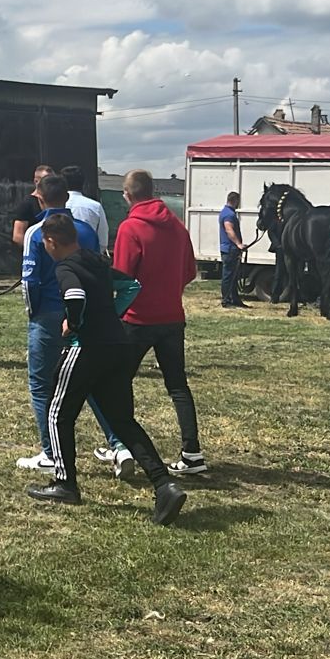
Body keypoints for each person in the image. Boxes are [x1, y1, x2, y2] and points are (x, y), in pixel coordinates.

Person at [23, 215, 187, 526]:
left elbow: (74, 296)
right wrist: (112, 314)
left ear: (51, 242)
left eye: (45, 243)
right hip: (117, 346)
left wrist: (74, 323)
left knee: (57, 414)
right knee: (121, 420)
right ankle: (164, 484)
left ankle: (65, 483)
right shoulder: (96, 261)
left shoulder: (65, 267)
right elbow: (131, 286)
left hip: (87, 347)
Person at [17, 173, 120, 472]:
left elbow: (29, 282)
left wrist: (33, 313)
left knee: (41, 384)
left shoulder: (36, 232)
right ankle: (118, 444)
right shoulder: (84, 230)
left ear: (39, 198)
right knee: (89, 382)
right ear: (67, 197)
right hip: (83, 312)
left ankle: (50, 452)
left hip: (48, 313)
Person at [112, 170, 206, 475]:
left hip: (137, 319)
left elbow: (122, 276)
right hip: (172, 316)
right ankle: (192, 452)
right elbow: (190, 271)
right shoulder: (177, 226)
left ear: (128, 195)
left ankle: (122, 445)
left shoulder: (130, 228)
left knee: (118, 381)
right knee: (177, 385)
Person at [62, 165, 109, 252]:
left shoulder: (57, 205)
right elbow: (103, 242)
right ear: (83, 183)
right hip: (89, 256)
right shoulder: (95, 206)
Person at [10, 164, 54, 248]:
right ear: (36, 181)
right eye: (46, 180)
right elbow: (18, 236)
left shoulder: (53, 201)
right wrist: (33, 250)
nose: (50, 184)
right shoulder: (27, 204)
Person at [219, 191, 249, 308]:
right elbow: (229, 229)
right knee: (229, 276)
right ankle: (226, 300)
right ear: (235, 201)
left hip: (229, 248)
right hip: (230, 249)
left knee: (233, 276)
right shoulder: (229, 215)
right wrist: (238, 244)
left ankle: (234, 299)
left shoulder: (226, 212)